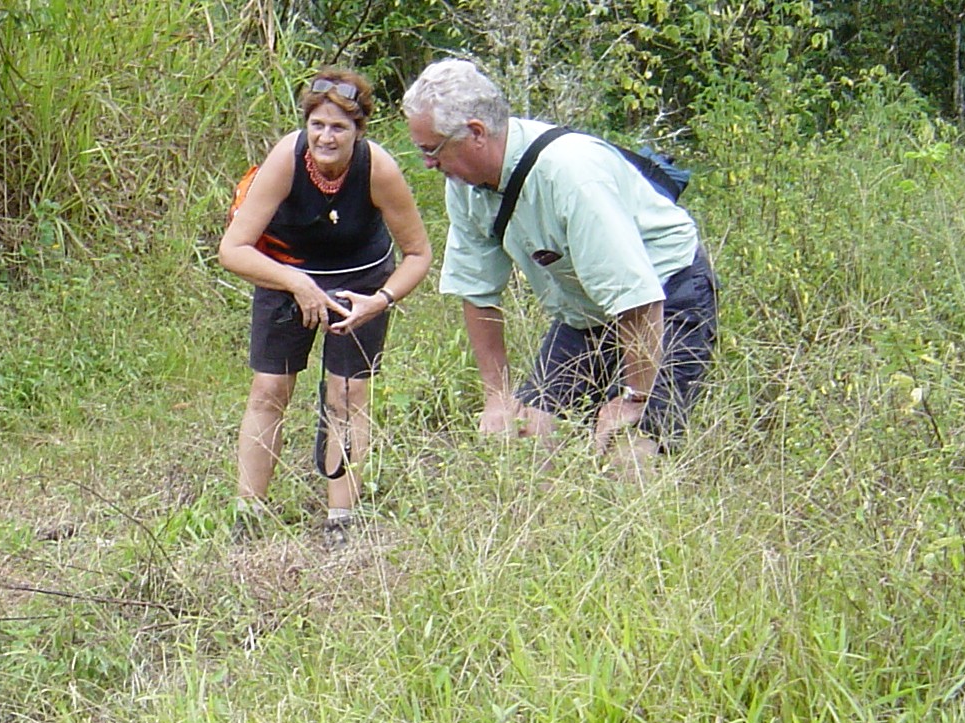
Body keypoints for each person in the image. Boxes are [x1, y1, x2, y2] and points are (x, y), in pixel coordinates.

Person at [400, 58, 718, 463]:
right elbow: (477, 292)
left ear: (476, 133)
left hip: (665, 296)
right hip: (584, 310)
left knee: (629, 453)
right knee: (527, 437)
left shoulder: (569, 174)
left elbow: (637, 297)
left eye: (431, 149)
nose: (428, 163)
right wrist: (498, 399)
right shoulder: (463, 184)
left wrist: (633, 399)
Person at [219, 68, 432, 545]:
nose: (325, 136)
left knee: (347, 395)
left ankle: (341, 521)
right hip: (286, 271)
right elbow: (232, 249)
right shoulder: (287, 159)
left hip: (360, 280)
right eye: (317, 125)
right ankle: (247, 517)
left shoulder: (378, 168)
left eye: (339, 127)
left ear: (359, 131)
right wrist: (297, 283)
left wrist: (380, 301)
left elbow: (419, 255)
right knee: (269, 388)